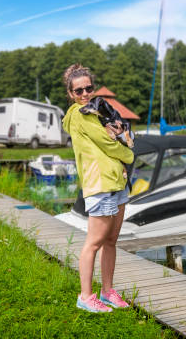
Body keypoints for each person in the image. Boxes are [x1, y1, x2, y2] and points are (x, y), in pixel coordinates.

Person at [62, 63, 134, 313]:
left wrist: (120, 144)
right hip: (100, 183)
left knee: (111, 240)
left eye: (88, 89)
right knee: (94, 242)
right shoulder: (80, 115)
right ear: (71, 94)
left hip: (117, 182)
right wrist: (130, 155)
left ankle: (107, 291)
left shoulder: (95, 114)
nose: (84, 94)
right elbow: (109, 144)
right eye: (78, 90)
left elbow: (113, 139)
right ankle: (85, 296)